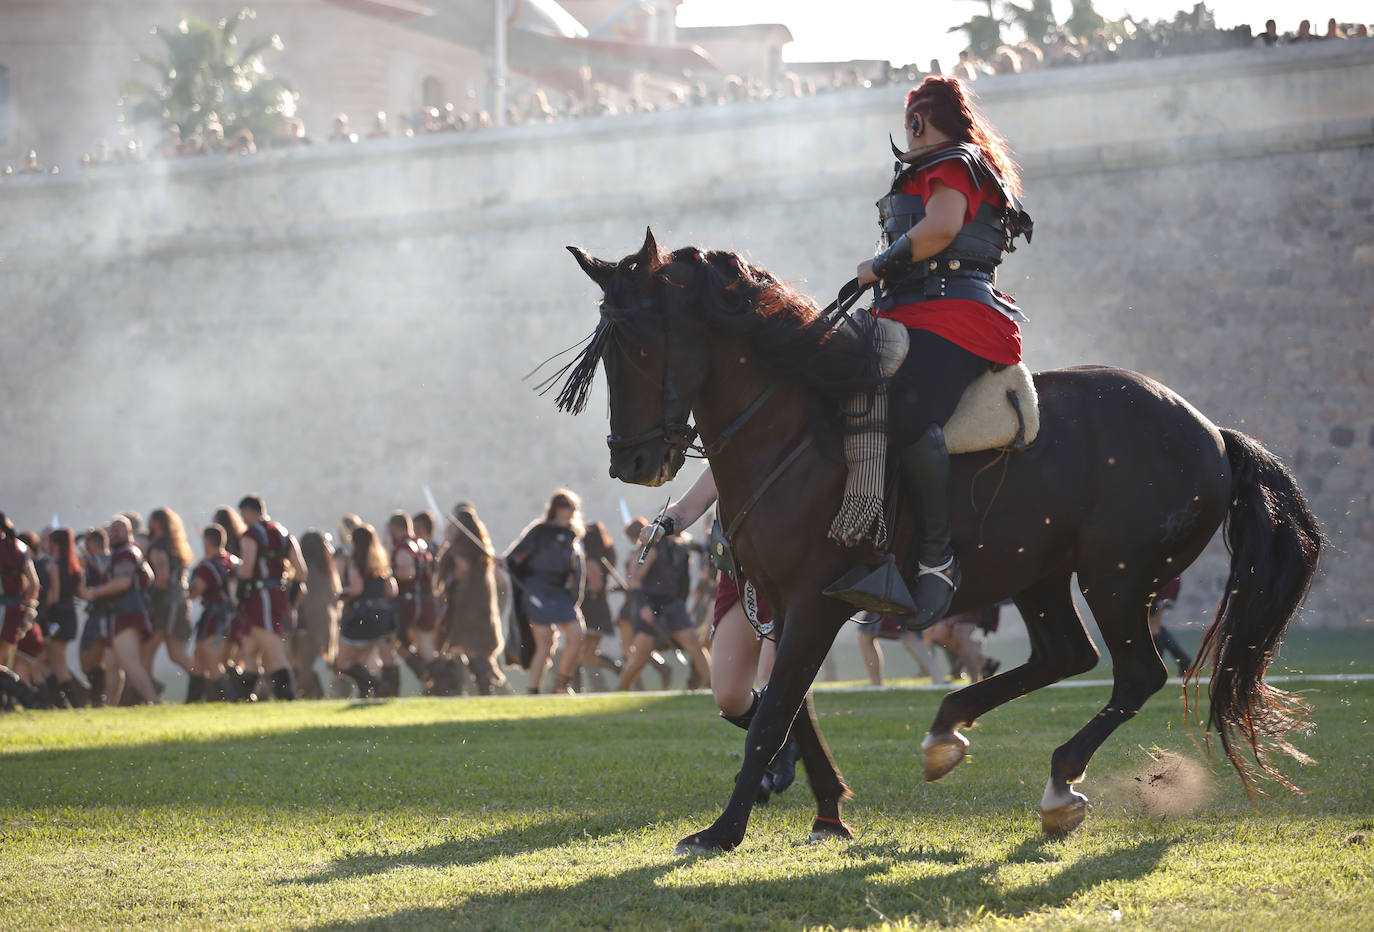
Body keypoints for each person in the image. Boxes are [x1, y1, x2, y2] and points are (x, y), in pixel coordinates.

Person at [851, 75, 1033, 630]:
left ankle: (937, 557)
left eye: (912, 121)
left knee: (905, 412)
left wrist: (875, 269)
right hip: (913, 313)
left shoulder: (954, 161)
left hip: (955, 318)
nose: (909, 133)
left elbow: (943, 228)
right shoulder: (956, 162)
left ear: (921, 120)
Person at [638, 467, 798, 801]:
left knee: (773, 680)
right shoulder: (725, 456)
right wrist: (660, 526)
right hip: (739, 579)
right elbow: (683, 510)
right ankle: (789, 740)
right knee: (729, 697)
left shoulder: (792, 446)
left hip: (790, 575)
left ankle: (763, 768)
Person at [505, 490, 587, 695]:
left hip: (560, 592)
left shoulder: (572, 535)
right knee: (545, 642)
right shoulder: (540, 531)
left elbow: (575, 567)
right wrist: (505, 561)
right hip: (537, 589)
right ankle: (533, 690)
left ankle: (562, 683)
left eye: (574, 508)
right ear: (558, 508)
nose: (572, 512)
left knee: (577, 635)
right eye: (569, 507)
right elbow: (516, 556)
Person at [617, 519, 711, 693]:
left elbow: (703, 549)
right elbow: (635, 581)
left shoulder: (683, 545)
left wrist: (708, 554)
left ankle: (713, 688)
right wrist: (643, 607)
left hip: (673, 606)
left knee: (694, 646)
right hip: (652, 605)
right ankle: (619, 691)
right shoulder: (653, 548)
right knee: (640, 656)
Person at [79, 515, 159, 703]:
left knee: (130, 664)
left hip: (127, 613)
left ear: (129, 532)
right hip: (117, 615)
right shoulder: (126, 552)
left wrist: (95, 592)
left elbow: (123, 582)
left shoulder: (126, 552)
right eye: (112, 530)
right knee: (112, 665)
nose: (114, 533)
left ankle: (154, 702)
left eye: (119, 529)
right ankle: (110, 709)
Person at [235, 495, 306, 701]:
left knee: (274, 652)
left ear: (248, 512)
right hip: (277, 595)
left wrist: (239, 592)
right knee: (249, 649)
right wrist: (290, 596)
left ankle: (288, 698)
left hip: (260, 596)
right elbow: (301, 571)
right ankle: (244, 700)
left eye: (242, 515)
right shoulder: (284, 534)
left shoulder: (251, 535)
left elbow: (247, 570)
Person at [437, 503, 507, 695]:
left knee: (470, 647)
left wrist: (449, 545)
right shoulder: (481, 546)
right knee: (470, 647)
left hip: (468, 603)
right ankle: (482, 685)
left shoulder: (463, 547)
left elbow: (461, 570)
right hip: (482, 601)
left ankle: (483, 686)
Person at [336, 523, 397, 698]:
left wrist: (341, 594)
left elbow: (356, 588)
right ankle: (366, 692)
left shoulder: (356, 560)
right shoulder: (381, 561)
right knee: (362, 661)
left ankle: (378, 684)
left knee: (343, 662)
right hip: (383, 616)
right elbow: (392, 590)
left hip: (362, 615)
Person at [144, 507, 196, 692]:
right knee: (177, 654)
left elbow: (162, 578)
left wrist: (149, 599)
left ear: (157, 524)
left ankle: (147, 693)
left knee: (148, 651)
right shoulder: (174, 545)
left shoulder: (159, 547)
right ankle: (208, 682)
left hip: (167, 605)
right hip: (180, 602)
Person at [187, 525, 240, 702]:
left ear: (207, 541)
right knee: (200, 659)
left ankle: (234, 699)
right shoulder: (233, 560)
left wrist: (187, 588)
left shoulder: (208, 565)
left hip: (216, 618)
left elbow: (196, 591)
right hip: (234, 617)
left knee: (212, 660)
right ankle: (192, 702)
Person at [389, 511, 437, 693]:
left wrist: (389, 574)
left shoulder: (404, 546)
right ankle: (433, 682)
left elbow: (407, 572)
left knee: (395, 641)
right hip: (425, 601)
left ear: (394, 528)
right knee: (425, 645)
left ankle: (437, 679)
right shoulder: (420, 543)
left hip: (411, 603)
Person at [577, 520, 624, 688]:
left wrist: (577, 589)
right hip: (597, 609)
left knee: (584, 653)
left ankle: (620, 670)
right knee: (584, 654)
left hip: (592, 611)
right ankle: (620, 670)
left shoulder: (590, 560)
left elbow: (595, 586)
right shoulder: (601, 557)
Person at [295, 530, 341, 698]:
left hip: (308, 622)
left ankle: (307, 692)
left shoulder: (306, 570)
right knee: (311, 662)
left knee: (305, 662)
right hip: (320, 621)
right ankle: (311, 692)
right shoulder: (322, 570)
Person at [43, 528, 86, 707]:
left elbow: (54, 596)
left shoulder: (53, 565)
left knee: (59, 665)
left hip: (57, 617)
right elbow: (81, 592)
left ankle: (72, 704)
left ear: (54, 544)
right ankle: (62, 702)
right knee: (54, 662)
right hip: (70, 616)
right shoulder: (75, 567)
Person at [855, 612, 946, 686]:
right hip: (903, 601)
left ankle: (876, 684)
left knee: (865, 635)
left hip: (892, 602)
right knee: (911, 638)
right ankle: (938, 679)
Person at [77, 527, 113, 707]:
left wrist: (76, 540)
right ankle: (98, 697)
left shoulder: (96, 559)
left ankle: (97, 698)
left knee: (88, 659)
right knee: (99, 661)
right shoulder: (112, 559)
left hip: (100, 614)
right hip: (106, 614)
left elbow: (74, 561)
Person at [1148, 576, 1192, 676]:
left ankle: (1157, 667)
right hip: (1166, 583)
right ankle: (1183, 659)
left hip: (1161, 585)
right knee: (1155, 626)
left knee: (1153, 626)